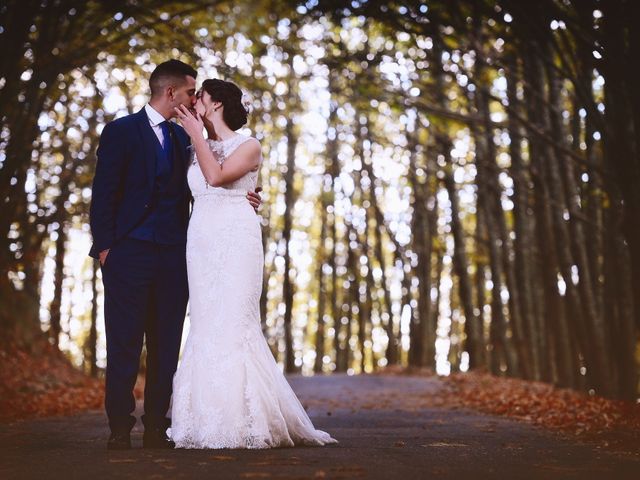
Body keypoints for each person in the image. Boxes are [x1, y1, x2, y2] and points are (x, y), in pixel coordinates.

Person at [89, 60, 262, 450]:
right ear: (171, 93)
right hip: (127, 253)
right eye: (189, 91)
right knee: (124, 343)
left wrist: (248, 196)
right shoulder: (121, 131)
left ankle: (155, 427)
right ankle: (119, 428)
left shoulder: (188, 138)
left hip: (177, 255)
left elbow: (217, 175)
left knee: (166, 344)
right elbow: (103, 193)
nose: (193, 98)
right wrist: (105, 248)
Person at [170, 78, 337, 449]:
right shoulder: (197, 144)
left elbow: (215, 177)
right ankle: (201, 420)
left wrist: (196, 134)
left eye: (201, 97)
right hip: (200, 240)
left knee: (235, 320)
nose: (195, 102)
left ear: (214, 106)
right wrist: (198, 137)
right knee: (205, 322)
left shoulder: (249, 145)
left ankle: (248, 420)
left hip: (236, 238)